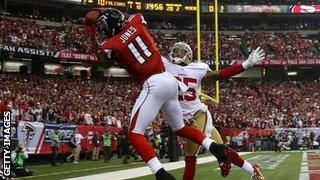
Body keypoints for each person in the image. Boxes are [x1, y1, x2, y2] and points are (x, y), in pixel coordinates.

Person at [85, 8, 229, 180]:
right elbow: (129, 18)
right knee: (181, 129)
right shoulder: (136, 20)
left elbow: (103, 62)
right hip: (169, 80)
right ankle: (216, 148)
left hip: (153, 84)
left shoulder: (112, 44)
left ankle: (161, 174)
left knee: (135, 133)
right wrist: (103, 11)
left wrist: (91, 34)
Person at [163, 42, 265, 180]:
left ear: (188, 56)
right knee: (223, 150)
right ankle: (253, 170)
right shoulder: (165, 67)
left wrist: (245, 65)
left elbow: (219, 74)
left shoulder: (197, 69)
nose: (176, 54)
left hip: (197, 117)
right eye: (174, 51)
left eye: (180, 52)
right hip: (184, 121)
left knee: (190, 157)